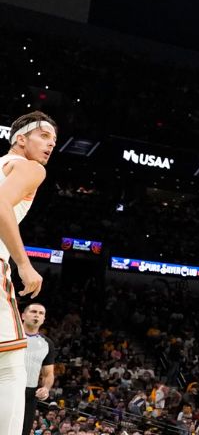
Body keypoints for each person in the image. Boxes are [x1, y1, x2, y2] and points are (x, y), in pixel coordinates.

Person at [0, 112, 53, 435]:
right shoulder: (31, 167)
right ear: (21, 138)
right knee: (12, 369)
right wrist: (23, 262)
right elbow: (1, 204)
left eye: (54, 141)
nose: (50, 145)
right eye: (44, 136)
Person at [20, 303, 55, 435]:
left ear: (43, 319)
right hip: (6, 387)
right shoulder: (9, 336)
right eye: (33, 311)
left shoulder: (47, 344)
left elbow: (48, 374)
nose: (37, 315)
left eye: (41, 313)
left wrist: (46, 388)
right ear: (23, 315)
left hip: (30, 394)